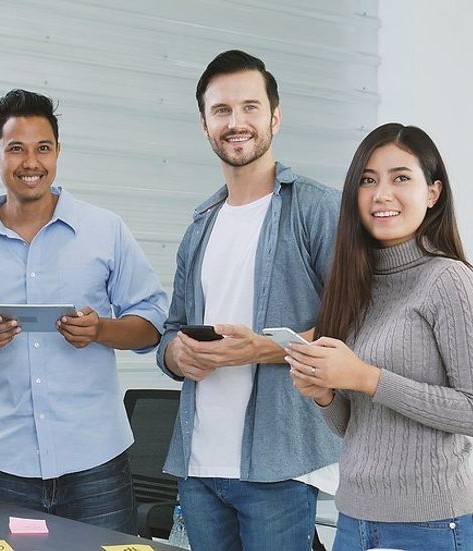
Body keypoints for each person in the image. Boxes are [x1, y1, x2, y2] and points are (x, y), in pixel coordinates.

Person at [0, 89, 168, 533]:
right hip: (6, 466)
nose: (31, 162)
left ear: (58, 153)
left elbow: (153, 321)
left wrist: (101, 331)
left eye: (43, 148)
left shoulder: (104, 229)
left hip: (97, 463)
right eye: (15, 148)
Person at [156, 49, 342, 551]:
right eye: (221, 111)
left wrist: (259, 348)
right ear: (204, 124)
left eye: (250, 107)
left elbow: (354, 326)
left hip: (279, 467)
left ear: (275, 117)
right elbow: (171, 330)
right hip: (198, 466)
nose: (236, 122)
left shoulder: (316, 208)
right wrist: (175, 353)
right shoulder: (200, 225)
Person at [287, 123, 473, 551]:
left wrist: (366, 377)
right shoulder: (353, 286)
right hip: (354, 521)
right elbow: (352, 426)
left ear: (433, 193)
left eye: (401, 177)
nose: (381, 194)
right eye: (368, 180)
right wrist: (325, 393)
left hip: (433, 527)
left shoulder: (449, 280)